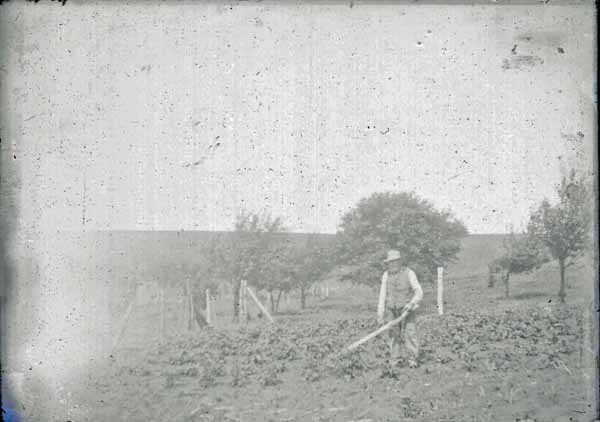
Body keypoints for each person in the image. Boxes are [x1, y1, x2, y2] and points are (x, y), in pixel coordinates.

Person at [377, 249, 423, 368]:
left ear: (399, 262)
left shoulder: (409, 273)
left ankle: (413, 360)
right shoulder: (386, 275)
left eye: (395, 262)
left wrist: (411, 304)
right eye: (390, 262)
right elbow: (382, 295)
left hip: (406, 309)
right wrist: (380, 312)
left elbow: (419, 292)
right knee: (393, 334)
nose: (392, 264)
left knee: (410, 333)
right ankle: (395, 359)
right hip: (391, 309)